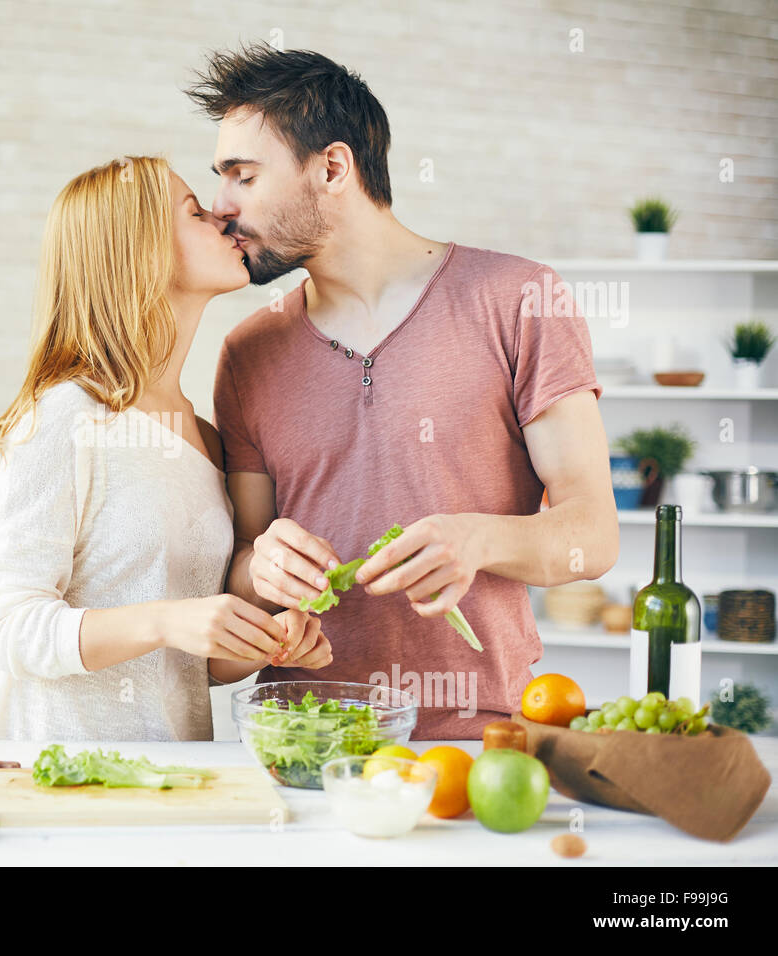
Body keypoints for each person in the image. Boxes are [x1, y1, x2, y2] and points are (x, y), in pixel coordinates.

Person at [184, 45, 620, 738]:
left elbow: (592, 535)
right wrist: (262, 566)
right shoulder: (248, 352)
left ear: (332, 168)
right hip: (301, 741)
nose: (221, 206)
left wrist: (473, 540)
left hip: (478, 736)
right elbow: (242, 560)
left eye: (242, 176)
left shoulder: (518, 300)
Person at [0, 155, 331, 741]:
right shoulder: (64, 417)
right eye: (195, 213)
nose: (224, 219)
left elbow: (189, 664)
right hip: (61, 783)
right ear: (141, 248)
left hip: (171, 779)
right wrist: (164, 620)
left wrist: (266, 639)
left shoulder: (203, 438)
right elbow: (5, 625)